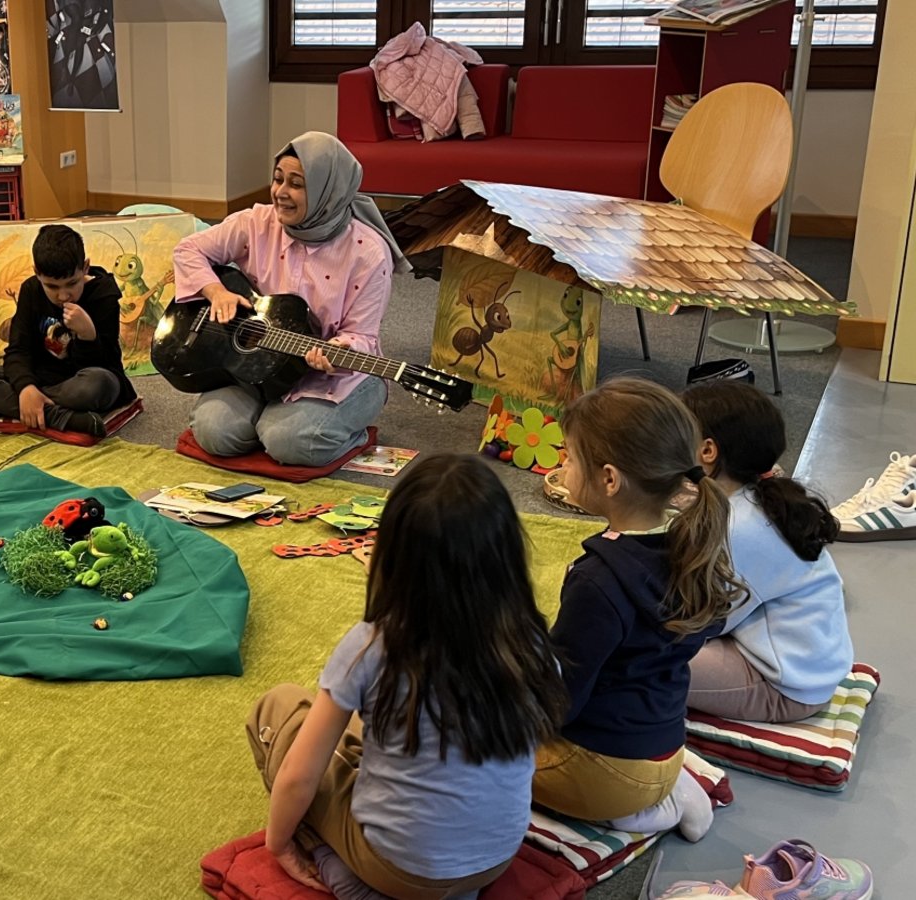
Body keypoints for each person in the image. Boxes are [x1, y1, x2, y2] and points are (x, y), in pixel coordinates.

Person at [248, 454, 570, 899]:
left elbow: (298, 777)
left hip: (397, 869)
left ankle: (348, 875)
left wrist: (278, 844)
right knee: (372, 730)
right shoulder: (532, 642)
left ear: (392, 552)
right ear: (507, 553)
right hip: (496, 858)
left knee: (279, 707)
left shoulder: (372, 644)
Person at [538, 377, 745, 840]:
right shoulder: (690, 544)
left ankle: (640, 813)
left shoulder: (598, 579)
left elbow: (560, 702)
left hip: (605, 773)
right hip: (663, 745)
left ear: (609, 479)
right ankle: (671, 791)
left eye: (569, 457)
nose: (562, 464)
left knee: (463, 746)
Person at [171, 131, 406, 466]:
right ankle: (270, 415)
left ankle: (347, 431)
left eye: (297, 184)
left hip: (332, 375)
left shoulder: (368, 253)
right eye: (278, 179)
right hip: (252, 364)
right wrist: (216, 291)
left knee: (291, 442)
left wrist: (340, 350)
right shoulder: (255, 222)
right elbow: (188, 250)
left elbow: (363, 337)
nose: (281, 193)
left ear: (328, 190)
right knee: (214, 432)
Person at [682, 381, 851, 722]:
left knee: (636, 657)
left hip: (784, 688)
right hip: (799, 665)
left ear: (707, 451)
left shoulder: (738, 526)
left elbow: (703, 621)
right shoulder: (758, 499)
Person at [0, 224, 135, 437]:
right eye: (52, 287)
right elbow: (18, 350)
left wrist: (87, 336)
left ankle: (32, 408)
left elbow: (106, 365)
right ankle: (60, 416)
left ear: (85, 268)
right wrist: (26, 387)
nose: (63, 296)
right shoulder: (30, 290)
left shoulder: (104, 295)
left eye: (72, 284)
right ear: (37, 274)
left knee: (97, 385)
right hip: (42, 375)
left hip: (83, 378)